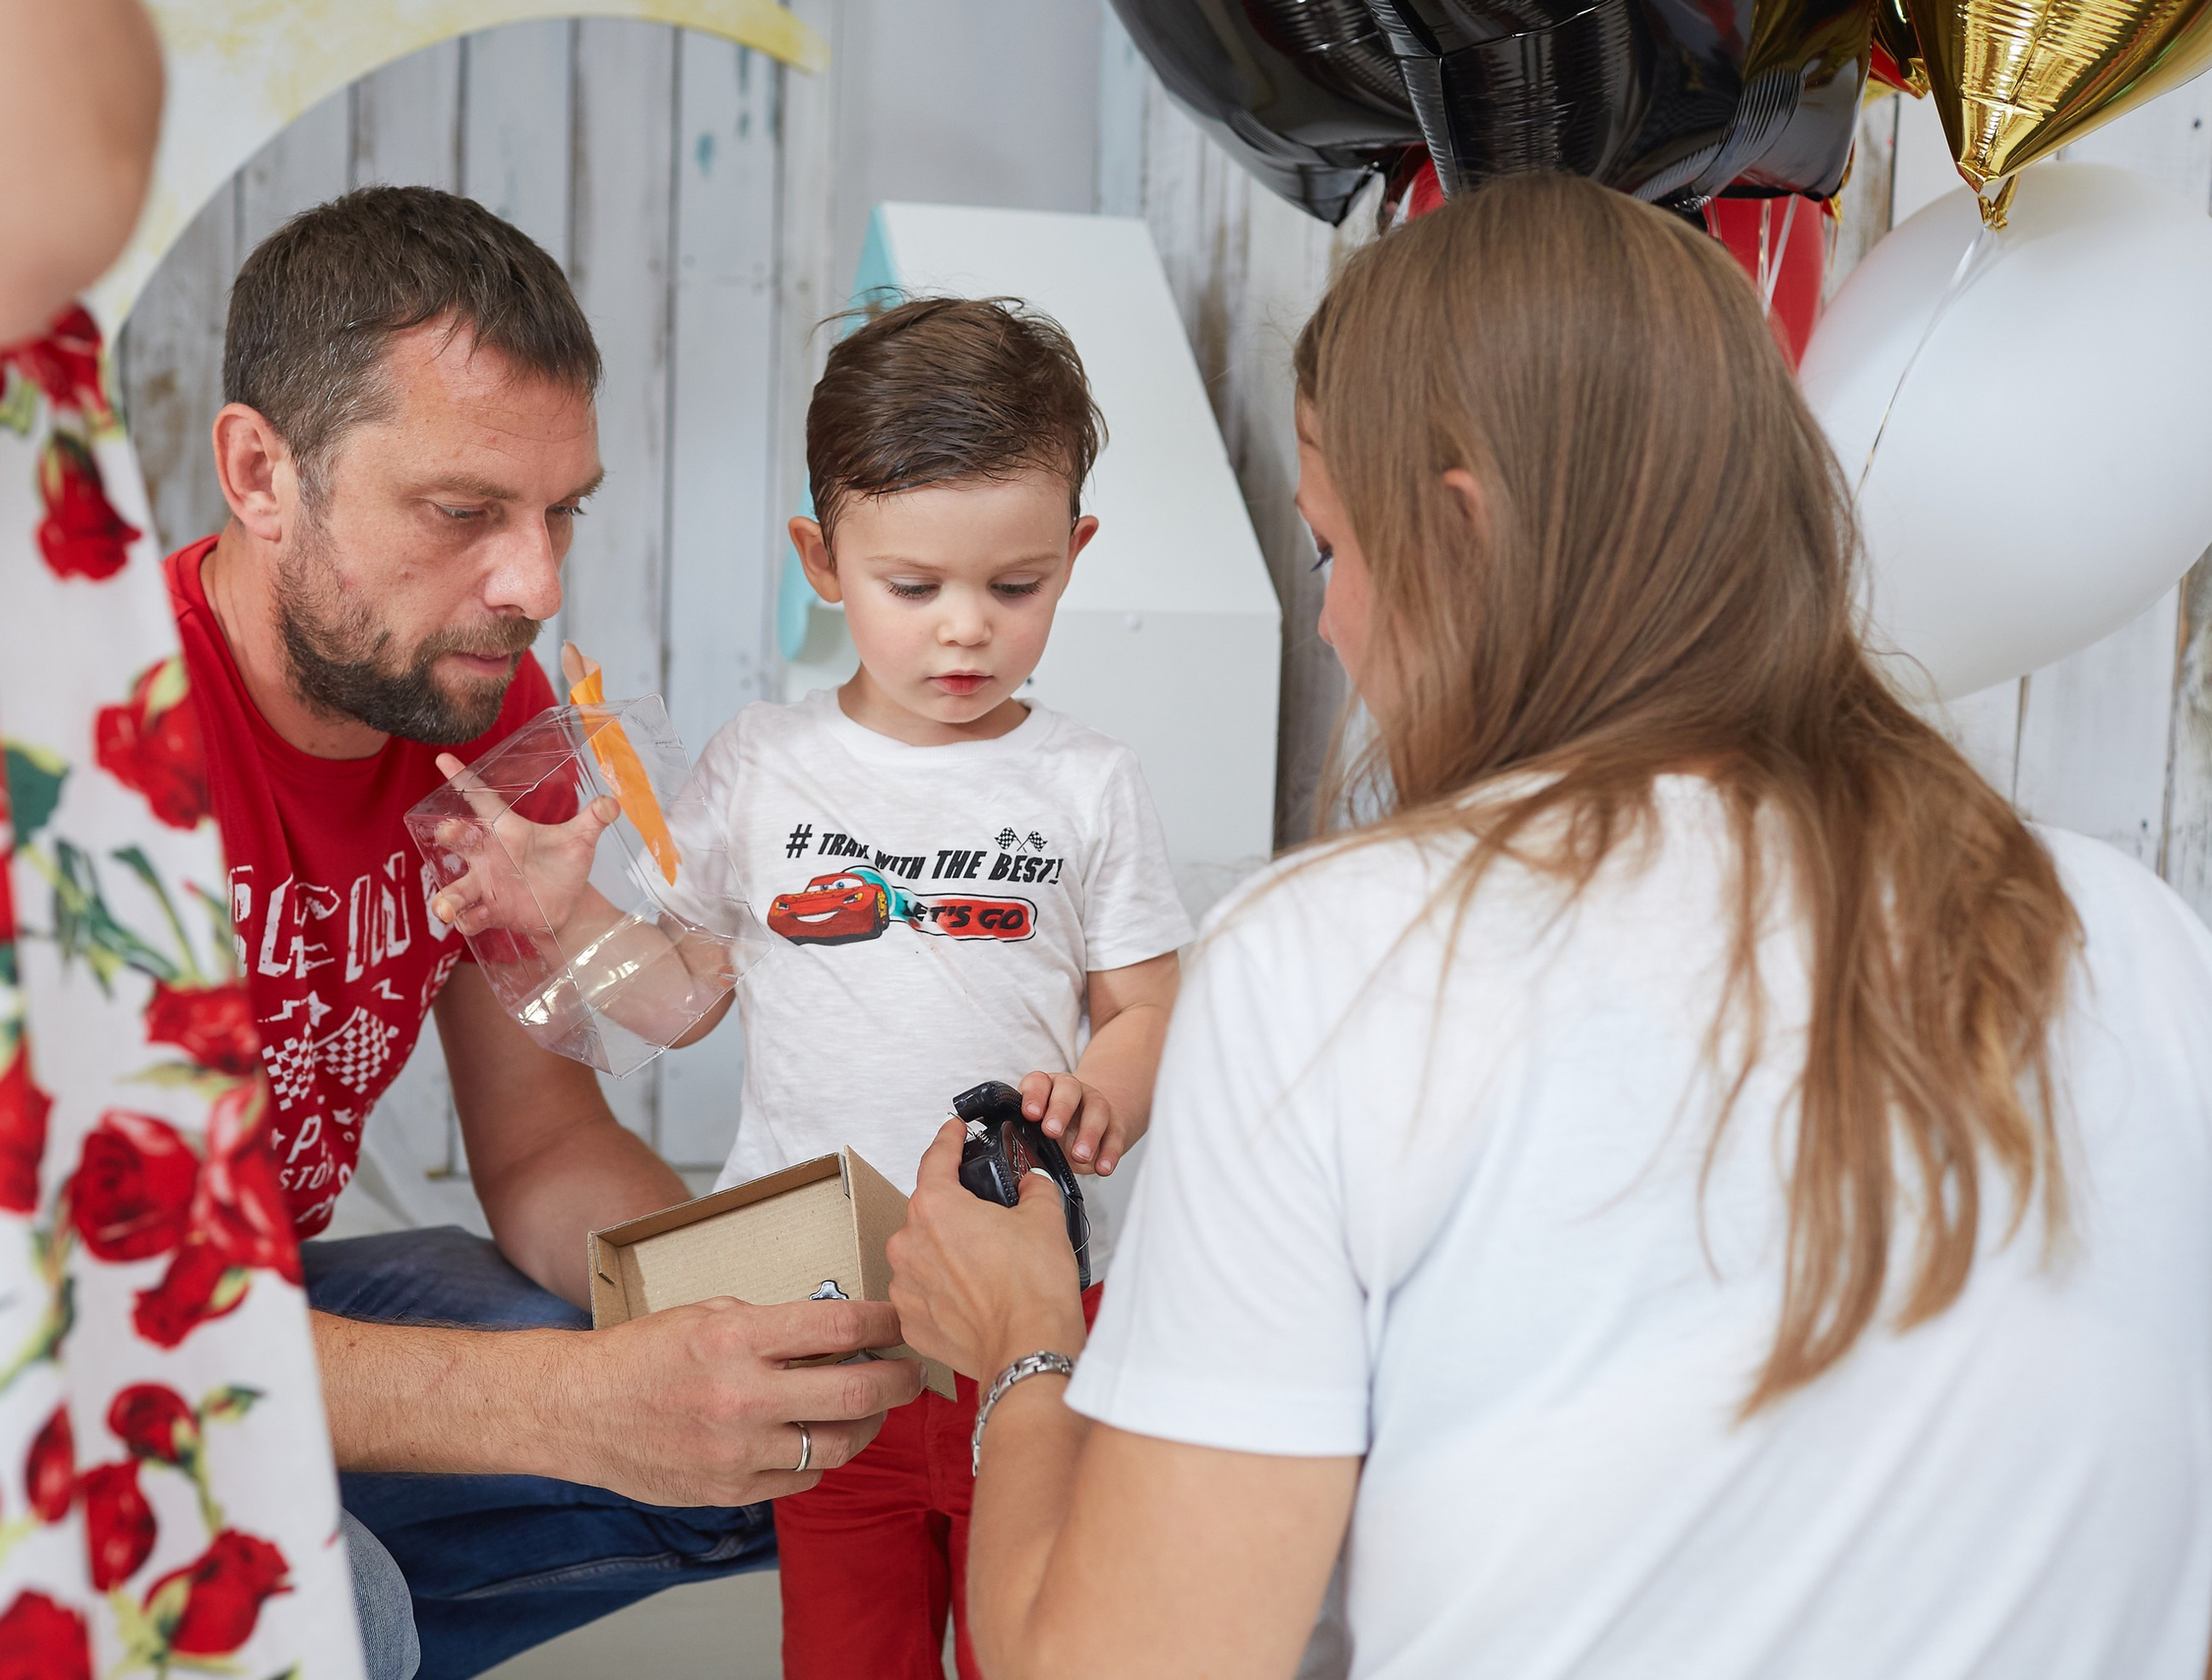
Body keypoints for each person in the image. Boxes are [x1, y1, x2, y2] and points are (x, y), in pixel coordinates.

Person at [883, 172, 2212, 1680]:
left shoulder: (1345, 955)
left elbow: (1127, 1666)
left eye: (1333, 549)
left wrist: (1027, 1340)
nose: (1331, 619)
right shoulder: (2136, 936)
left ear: (1461, 534)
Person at [168, 185, 923, 1680]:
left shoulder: (478, 706)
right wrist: (576, 1409)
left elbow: (544, 1147)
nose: (536, 587)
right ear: (262, 473)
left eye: (560, 510)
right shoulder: (87, 751)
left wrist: (756, 1314)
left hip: (269, 1303)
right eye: (463, 514)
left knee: (770, 1447)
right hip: (57, 1359)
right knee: (336, 1608)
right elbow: (94, 1314)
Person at [428, 294, 1192, 1677]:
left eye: (1015, 588)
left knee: (1035, 1637)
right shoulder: (763, 767)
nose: (966, 632)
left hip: (1022, 1318)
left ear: (1075, 555)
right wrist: (568, 913)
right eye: (916, 587)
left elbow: (1143, 1007)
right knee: (846, 1649)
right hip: (821, 1315)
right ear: (823, 560)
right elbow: (681, 999)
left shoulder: (1088, 783)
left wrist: (1106, 1097)